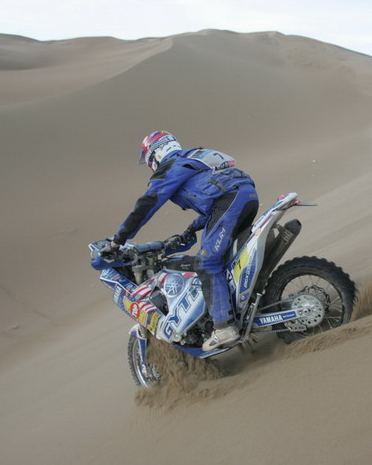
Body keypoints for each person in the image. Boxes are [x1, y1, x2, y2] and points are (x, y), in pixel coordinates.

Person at [109, 131, 259, 351]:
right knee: (228, 259)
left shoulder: (170, 167)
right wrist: (191, 229)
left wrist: (118, 240)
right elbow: (211, 197)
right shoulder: (193, 158)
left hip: (230, 200)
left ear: (154, 154)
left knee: (207, 262)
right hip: (245, 195)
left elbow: (146, 205)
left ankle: (225, 326)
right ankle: (248, 304)